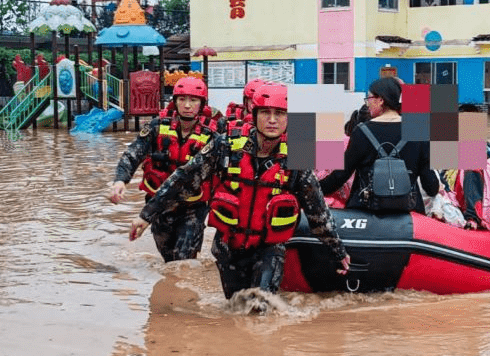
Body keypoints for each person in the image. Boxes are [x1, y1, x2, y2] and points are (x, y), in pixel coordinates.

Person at [132, 83, 350, 304]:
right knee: (235, 307)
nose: (272, 120)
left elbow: (318, 211)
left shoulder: (297, 158)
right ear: (254, 116)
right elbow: (185, 178)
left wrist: (338, 251)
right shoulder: (226, 146)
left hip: (268, 248)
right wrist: (146, 215)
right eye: (265, 113)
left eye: (280, 114)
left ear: (289, 119)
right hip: (229, 247)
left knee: (261, 307)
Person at [109, 76, 225, 261]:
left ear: (202, 104)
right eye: (182, 99)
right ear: (175, 102)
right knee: (168, 260)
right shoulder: (157, 127)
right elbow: (133, 153)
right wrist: (120, 180)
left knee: (184, 260)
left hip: (192, 207)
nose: (187, 105)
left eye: (193, 100)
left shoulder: (214, 135)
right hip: (158, 205)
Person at [318, 77, 440, 214]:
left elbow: (340, 176)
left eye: (369, 99)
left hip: (367, 214)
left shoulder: (361, 132)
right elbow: (430, 186)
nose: (367, 104)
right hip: (409, 216)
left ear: (381, 100)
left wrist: (311, 189)